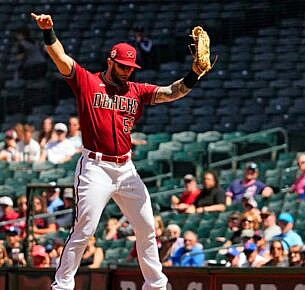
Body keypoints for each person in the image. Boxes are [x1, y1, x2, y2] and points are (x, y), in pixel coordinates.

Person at [32, 12, 210, 290]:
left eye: (130, 67)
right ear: (110, 61)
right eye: (123, 65)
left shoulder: (136, 91)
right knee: (84, 230)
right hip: (95, 167)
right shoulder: (88, 82)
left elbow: (172, 92)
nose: (127, 70)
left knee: (147, 227)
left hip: (126, 169)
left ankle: (156, 286)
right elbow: (62, 58)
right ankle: (62, 285)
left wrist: (194, 74)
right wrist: (48, 32)